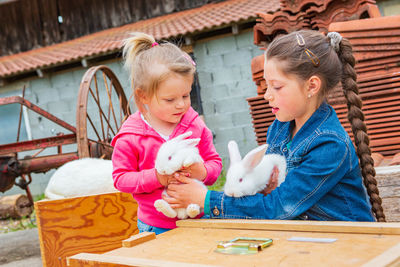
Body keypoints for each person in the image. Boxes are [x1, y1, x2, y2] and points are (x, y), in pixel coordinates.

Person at [164, 30, 386, 222]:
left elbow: (279, 207)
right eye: (266, 85)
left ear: (312, 86)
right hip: (303, 237)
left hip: (347, 243)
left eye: (276, 87)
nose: (267, 96)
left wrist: (205, 199)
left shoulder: (329, 145)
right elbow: (268, 191)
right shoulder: (280, 129)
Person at [111, 32, 223, 234]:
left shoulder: (194, 124)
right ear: (143, 96)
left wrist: (203, 172)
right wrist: (157, 178)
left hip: (199, 217)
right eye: (170, 100)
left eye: (186, 95)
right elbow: (121, 179)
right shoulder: (131, 137)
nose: (181, 105)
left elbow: (215, 162)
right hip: (156, 226)